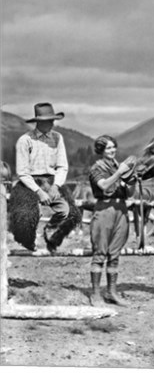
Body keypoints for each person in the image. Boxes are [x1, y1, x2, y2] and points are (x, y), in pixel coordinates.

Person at [11, 102, 79, 252]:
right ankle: (28, 242)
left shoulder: (57, 138)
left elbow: (62, 166)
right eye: (47, 121)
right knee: (28, 213)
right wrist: (39, 191)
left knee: (69, 212)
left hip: (51, 180)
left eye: (52, 120)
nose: (51, 123)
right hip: (29, 181)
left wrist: (56, 185)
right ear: (38, 122)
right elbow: (22, 171)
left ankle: (51, 233)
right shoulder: (25, 140)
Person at [88, 135, 137, 307]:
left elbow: (129, 194)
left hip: (121, 209)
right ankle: (95, 294)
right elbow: (104, 185)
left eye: (113, 147)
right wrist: (119, 172)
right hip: (104, 210)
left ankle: (111, 292)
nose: (112, 150)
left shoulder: (119, 166)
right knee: (100, 253)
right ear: (101, 150)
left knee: (114, 254)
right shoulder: (97, 168)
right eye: (108, 148)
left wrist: (132, 178)